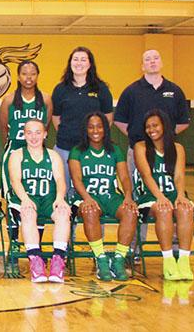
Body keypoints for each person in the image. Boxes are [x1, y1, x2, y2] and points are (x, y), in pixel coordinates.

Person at [114, 49, 191, 260]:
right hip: (137, 151)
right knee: (137, 198)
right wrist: (143, 140)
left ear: (161, 62)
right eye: (147, 59)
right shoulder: (131, 91)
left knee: (174, 196)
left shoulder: (174, 91)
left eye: (156, 58)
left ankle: (176, 248)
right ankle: (135, 248)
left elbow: (184, 121)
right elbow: (120, 121)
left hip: (167, 154)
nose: (152, 62)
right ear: (142, 66)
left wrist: (163, 138)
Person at [68, 112, 138, 281]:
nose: (95, 130)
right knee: (90, 211)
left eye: (99, 126)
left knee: (130, 212)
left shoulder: (114, 150)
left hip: (110, 196)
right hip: (86, 196)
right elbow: (76, 179)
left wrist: (128, 196)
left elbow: (124, 177)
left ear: (105, 129)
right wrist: (87, 198)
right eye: (91, 127)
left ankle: (119, 259)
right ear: (85, 130)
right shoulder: (77, 151)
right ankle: (101, 259)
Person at [0, 60, 52, 276]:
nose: (28, 77)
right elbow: (4, 129)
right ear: (18, 76)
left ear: (37, 75)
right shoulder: (9, 99)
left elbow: (46, 126)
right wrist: (14, 148)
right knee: (15, 201)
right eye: (24, 73)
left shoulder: (46, 99)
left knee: (39, 197)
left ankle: (35, 251)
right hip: (15, 151)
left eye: (32, 73)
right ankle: (14, 249)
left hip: (38, 154)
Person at [133, 109, 194, 281]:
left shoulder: (178, 148)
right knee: (164, 210)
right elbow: (146, 175)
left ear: (164, 126)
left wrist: (181, 195)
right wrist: (160, 197)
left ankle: (183, 261)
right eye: (148, 127)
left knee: (186, 209)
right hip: (149, 197)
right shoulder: (141, 147)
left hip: (172, 194)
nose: (151, 129)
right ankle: (168, 260)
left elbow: (180, 175)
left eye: (155, 125)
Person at [8, 119, 71, 283]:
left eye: (37, 132)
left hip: (48, 198)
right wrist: (25, 199)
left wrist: (60, 198)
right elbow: (15, 180)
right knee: (28, 213)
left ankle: (58, 260)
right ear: (24, 134)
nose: (33, 137)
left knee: (63, 212)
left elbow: (59, 180)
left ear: (45, 134)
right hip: (26, 197)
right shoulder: (17, 155)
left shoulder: (53, 155)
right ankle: (35, 261)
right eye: (29, 133)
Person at [52, 46, 113, 195]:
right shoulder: (60, 89)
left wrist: (95, 139)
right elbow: (55, 117)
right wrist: (67, 133)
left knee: (87, 192)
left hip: (91, 150)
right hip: (65, 148)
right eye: (75, 59)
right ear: (70, 63)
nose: (79, 63)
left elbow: (108, 118)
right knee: (64, 190)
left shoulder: (101, 88)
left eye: (83, 59)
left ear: (90, 64)